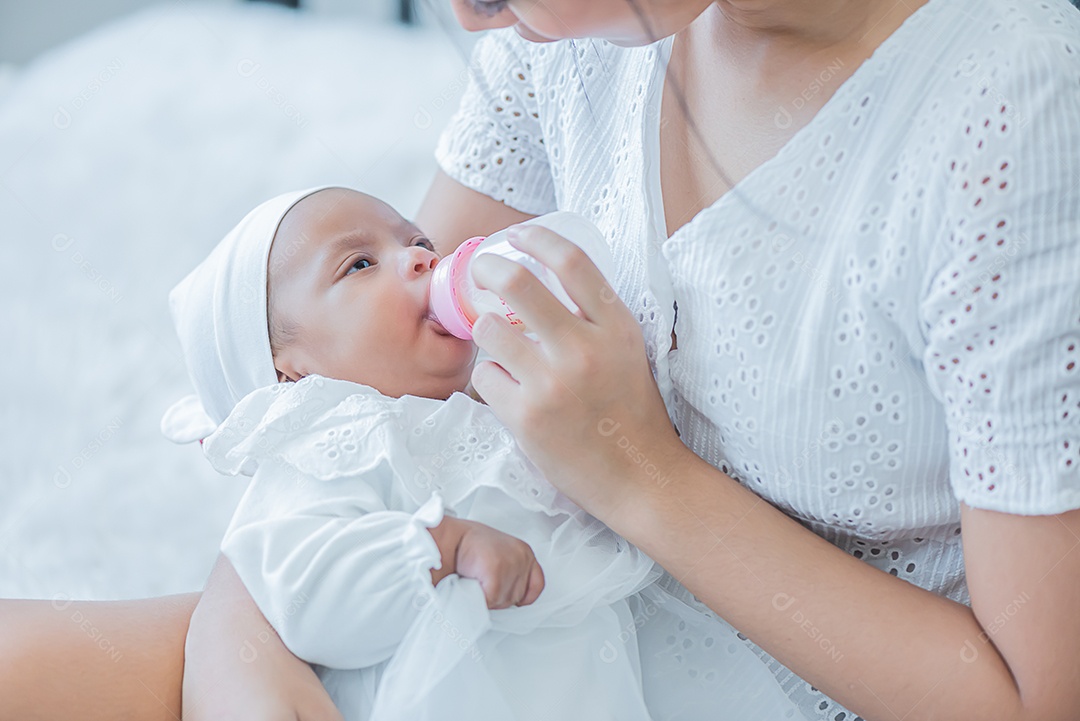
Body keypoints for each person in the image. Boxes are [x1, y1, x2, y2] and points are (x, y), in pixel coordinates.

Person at [4, 0, 1079, 718]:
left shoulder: (1006, 117)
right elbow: (361, 411)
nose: (468, 12)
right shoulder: (553, 51)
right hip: (515, 616)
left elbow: (1034, 698)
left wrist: (636, 473)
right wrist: (245, 647)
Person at [163, 183, 695, 720]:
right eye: (360, 264)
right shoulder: (332, 436)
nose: (421, 257)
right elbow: (304, 591)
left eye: (418, 241)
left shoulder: (496, 401)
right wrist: (442, 550)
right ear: (293, 373)